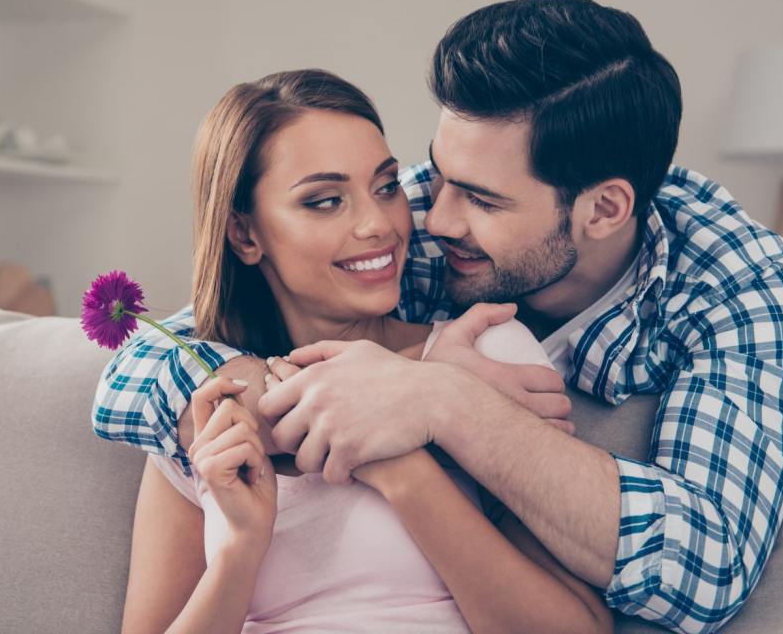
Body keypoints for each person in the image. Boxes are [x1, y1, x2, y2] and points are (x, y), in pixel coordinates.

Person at [94, 0, 783, 634]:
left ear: (604, 209)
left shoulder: (735, 286)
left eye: (479, 199)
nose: (428, 218)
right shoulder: (410, 226)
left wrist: (442, 400)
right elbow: (158, 355)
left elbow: (708, 566)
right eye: (433, 177)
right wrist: (288, 402)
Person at [117, 68, 612, 633]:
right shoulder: (201, 406)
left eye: (385, 186)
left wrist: (404, 467)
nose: (379, 224)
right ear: (245, 236)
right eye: (325, 201)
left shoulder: (484, 353)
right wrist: (238, 550)